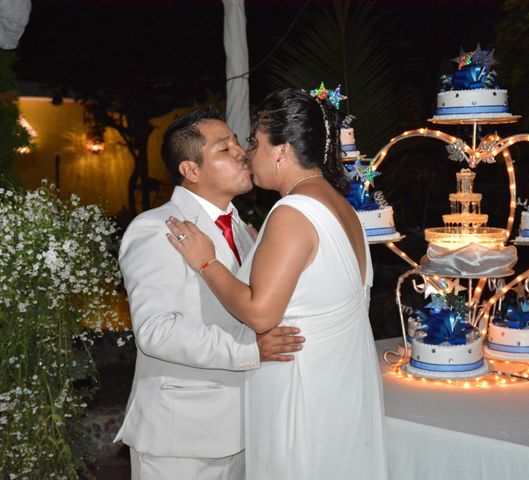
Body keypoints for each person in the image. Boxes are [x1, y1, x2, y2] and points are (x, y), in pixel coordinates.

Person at [166, 89, 388, 480]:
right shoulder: (344, 208)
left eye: (254, 142)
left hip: (301, 390)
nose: (248, 153)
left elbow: (261, 313)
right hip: (340, 387)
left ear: (282, 151)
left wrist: (206, 261)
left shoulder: (292, 212)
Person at [115, 106, 305, 480]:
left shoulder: (245, 229)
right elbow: (157, 332)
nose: (241, 152)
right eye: (225, 148)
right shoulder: (156, 229)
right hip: (181, 437)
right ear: (191, 170)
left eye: (237, 143)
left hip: (247, 426)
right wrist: (249, 350)